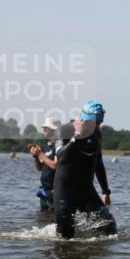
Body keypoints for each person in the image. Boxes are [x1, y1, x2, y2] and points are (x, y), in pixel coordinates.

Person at [54, 101, 116, 239]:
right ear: (83, 120)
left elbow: (98, 163)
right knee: (65, 237)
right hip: (65, 190)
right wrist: (77, 137)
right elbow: (60, 156)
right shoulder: (65, 130)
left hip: (86, 190)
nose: (96, 127)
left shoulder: (96, 135)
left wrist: (105, 191)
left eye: (99, 124)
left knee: (109, 228)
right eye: (93, 124)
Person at [28, 117, 61, 210]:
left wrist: (40, 154)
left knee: (54, 219)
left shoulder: (59, 146)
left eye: (46, 128)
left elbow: (55, 165)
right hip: (45, 191)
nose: (43, 130)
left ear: (52, 130)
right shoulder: (47, 146)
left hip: (55, 191)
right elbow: (39, 168)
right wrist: (35, 156)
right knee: (43, 220)